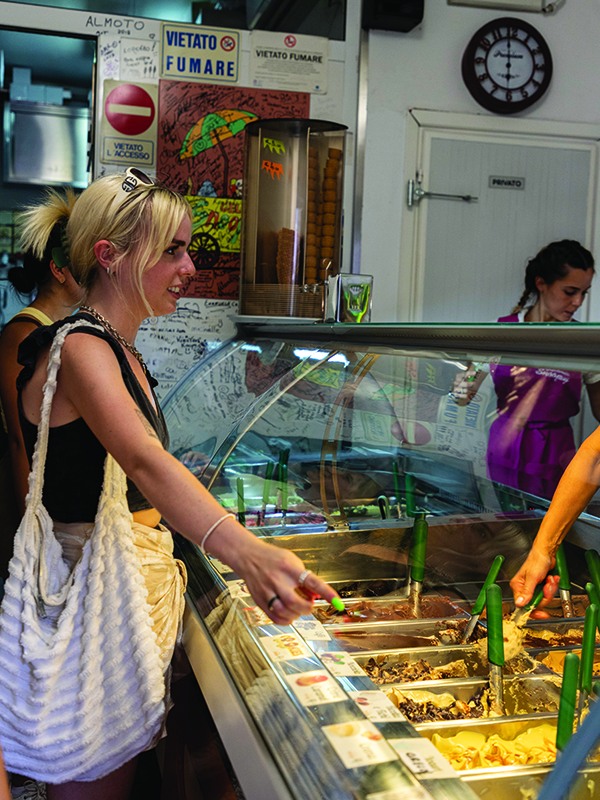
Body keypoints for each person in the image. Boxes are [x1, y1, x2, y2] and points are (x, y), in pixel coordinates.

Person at [8, 168, 339, 800]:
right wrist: (246, 551)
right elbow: (144, 462)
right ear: (110, 255)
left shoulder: (120, 348)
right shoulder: (79, 347)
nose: (189, 266)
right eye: (172, 250)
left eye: (188, 247)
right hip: (92, 595)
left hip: (126, 590)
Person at [453, 240, 600, 500]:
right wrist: (464, 384)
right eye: (569, 291)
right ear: (541, 283)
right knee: (507, 527)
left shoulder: (584, 340)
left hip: (559, 450)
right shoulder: (500, 332)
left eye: (584, 293)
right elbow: (463, 395)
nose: (577, 302)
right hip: (506, 445)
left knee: (555, 529)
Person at [0, 189, 83, 589]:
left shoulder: (67, 330)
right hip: (26, 513)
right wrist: (29, 539)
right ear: (59, 268)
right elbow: (20, 442)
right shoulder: (23, 333)